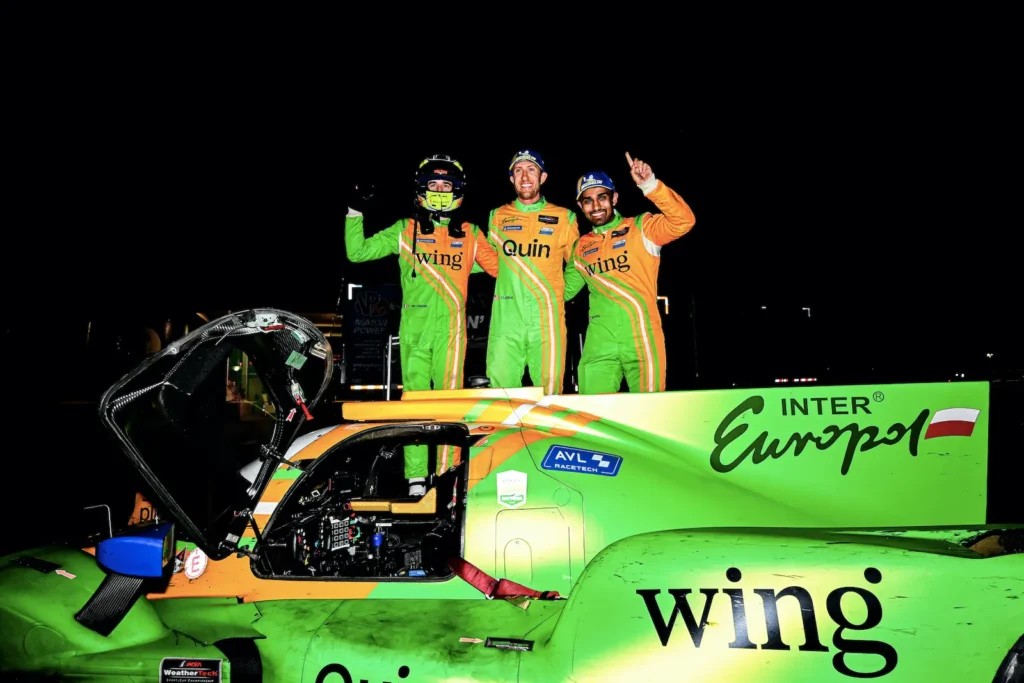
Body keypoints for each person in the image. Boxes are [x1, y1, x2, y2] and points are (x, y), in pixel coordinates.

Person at [345, 154, 499, 495]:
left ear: (458, 191)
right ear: (421, 190)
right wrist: (355, 211)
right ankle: (416, 478)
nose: (440, 190)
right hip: (414, 329)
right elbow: (357, 253)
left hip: (452, 333)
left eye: (447, 185)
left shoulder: (472, 233)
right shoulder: (405, 229)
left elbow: (500, 269)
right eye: (434, 185)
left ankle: (448, 474)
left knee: (449, 404)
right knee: (414, 404)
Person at [563, 152, 696, 394]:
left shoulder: (641, 228)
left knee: (648, 416)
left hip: (642, 340)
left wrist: (649, 185)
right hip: (598, 345)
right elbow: (561, 291)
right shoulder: (580, 247)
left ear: (614, 198)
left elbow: (683, 221)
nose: (595, 206)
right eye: (588, 200)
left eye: (601, 198)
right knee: (591, 420)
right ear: (580, 206)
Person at [477, 149, 580, 395]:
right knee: (501, 395)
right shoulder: (497, 216)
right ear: (512, 179)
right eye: (518, 171)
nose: (525, 177)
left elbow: (578, 263)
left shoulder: (564, 217)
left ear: (542, 177)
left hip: (547, 322)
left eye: (531, 170)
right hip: (506, 320)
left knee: (548, 397)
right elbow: (486, 260)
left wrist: (560, 295)